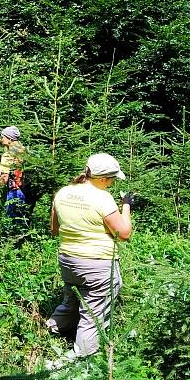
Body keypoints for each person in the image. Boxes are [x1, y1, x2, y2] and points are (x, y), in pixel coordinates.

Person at [46, 153, 134, 362]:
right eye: (112, 179)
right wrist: (127, 205)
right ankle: (82, 358)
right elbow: (123, 234)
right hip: (97, 265)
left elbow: (54, 229)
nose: (112, 184)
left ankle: (55, 328)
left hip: (68, 259)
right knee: (93, 312)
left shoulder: (63, 193)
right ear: (103, 179)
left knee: (71, 298)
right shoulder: (103, 198)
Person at [0, 126, 26, 221]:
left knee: (12, 224)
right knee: (24, 222)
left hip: (14, 193)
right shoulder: (24, 152)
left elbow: (4, 180)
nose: (1, 139)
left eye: (3, 137)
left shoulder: (8, 155)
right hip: (26, 191)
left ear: (10, 139)